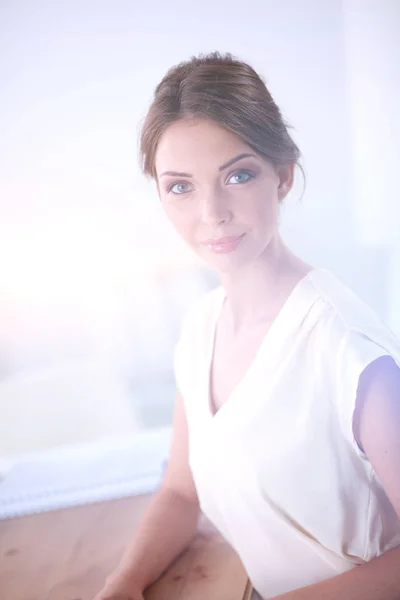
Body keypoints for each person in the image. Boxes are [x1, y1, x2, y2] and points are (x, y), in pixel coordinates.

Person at [94, 52, 400, 600]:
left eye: (237, 174)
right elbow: (182, 493)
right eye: (180, 186)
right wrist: (124, 583)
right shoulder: (200, 329)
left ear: (282, 176)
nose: (211, 211)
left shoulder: (347, 348)